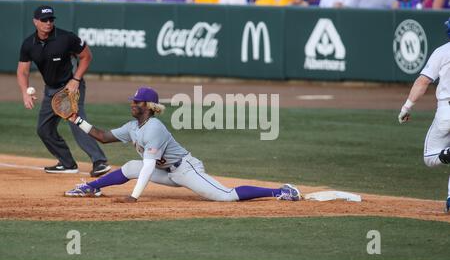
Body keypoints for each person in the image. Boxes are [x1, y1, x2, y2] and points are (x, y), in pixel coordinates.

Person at [64, 87, 301, 203]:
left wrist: (134, 196)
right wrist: (76, 119)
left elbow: (148, 167)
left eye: (136, 101)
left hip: (186, 169)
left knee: (225, 197)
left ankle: (281, 191)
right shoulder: (132, 127)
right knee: (129, 167)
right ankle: (91, 187)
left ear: (148, 105)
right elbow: (103, 136)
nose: (132, 104)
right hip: (168, 172)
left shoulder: (154, 128)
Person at [17, 5, 111, 177]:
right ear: (35, 22)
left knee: (76, 121)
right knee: (44, 129)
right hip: (50, 91)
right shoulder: (29, 44)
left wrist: (75, 79)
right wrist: (25, 92)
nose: (48, 23)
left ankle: (99, 161)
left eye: (51, 19)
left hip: (70, 87)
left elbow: (86, 56)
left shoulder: (65, 37)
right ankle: (67, 163)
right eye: (44, 20)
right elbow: (22, 70)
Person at [398, 18, 450, 214]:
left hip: (447, 111)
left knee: (431, 157)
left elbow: (422, 82)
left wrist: (407, 107)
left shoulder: (443, 51)